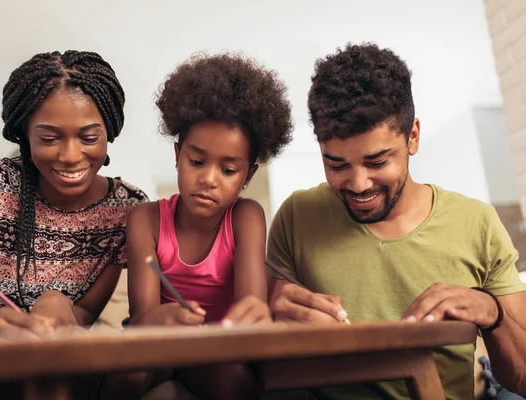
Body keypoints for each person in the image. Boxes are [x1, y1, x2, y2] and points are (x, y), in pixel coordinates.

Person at [267, 42, 526, 400]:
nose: (358, 185)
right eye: (336, 164)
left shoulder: (476, 223)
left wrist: (492, 312)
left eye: (377, 162)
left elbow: (523, 377)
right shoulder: (296, 216)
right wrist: (274, 319)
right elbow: (268, 349)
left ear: (413, 137)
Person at [0, 50, 148, 398]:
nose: (71, 155)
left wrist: (59, 306)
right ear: (24, 135)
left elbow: (86, 314)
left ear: (110, 133)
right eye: (49, 138)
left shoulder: (127, 210)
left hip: (61, 367)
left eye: (89, 137)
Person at [99, 53, 293, 400]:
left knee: (236, 382)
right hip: (156, 346)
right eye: (197, 161)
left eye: (228, 170)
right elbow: (141, 319)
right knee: (122, 377)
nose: (208, 179)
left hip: (218, 352)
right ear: (177, 155)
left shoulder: (246, 217)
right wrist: (165, 317)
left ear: (248, 175)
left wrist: (255, 314)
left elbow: (251, 306)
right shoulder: (145, 219)